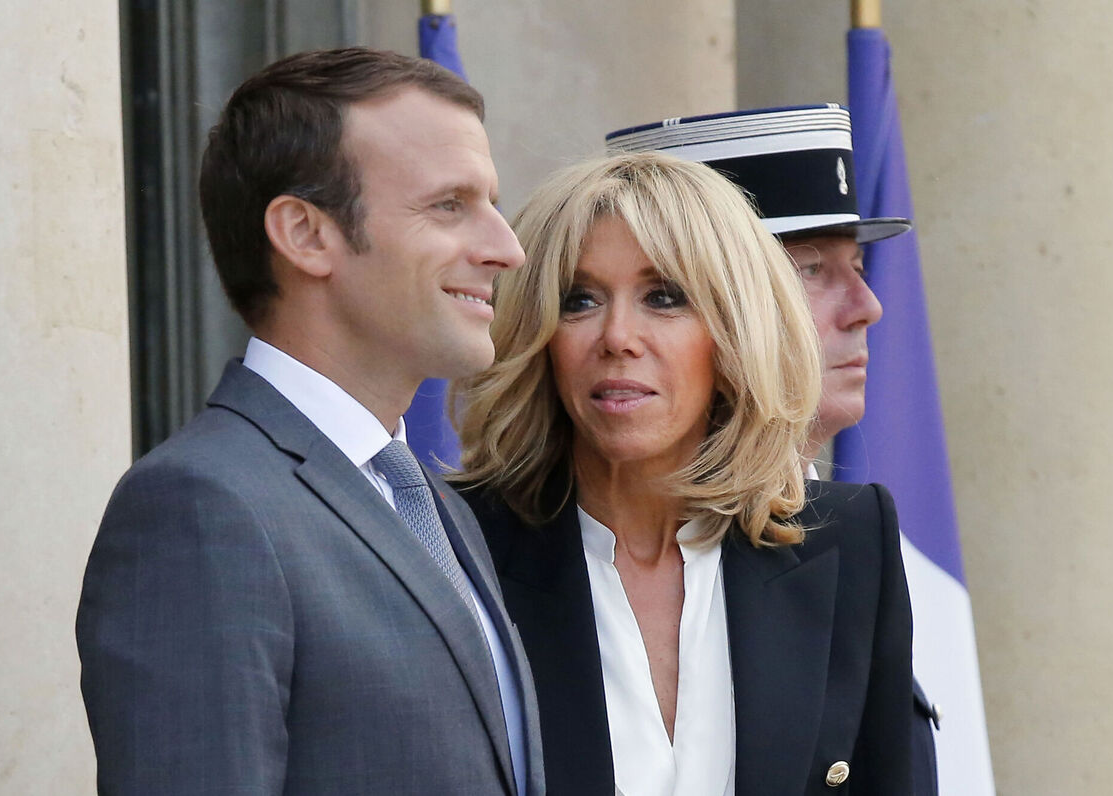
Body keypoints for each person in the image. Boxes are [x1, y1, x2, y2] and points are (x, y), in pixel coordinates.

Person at [75, 47, 544, 795]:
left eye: (490, 202)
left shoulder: (433, 502)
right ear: (304, 233)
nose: (507, 248)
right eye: (450, 205)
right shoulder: (201, 508)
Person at [452, 151, 912, 795]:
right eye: (579, 300)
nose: (617, 337)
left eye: (663, 297)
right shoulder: (453, 544)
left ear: (733, 330)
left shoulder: (848, 536)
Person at [607, 104, 940, 795]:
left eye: (857, 264)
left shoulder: (854, 538)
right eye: (812, 269)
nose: (867, 305)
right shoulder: (523, 544)